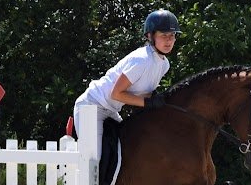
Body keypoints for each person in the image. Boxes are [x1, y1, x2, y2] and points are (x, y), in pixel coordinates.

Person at [73, 9, 181, 139]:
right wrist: (149, 103)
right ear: (150, 36)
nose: (169, 40)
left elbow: (144, 94)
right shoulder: (141, 60)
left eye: (172, 35)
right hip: (90, 107)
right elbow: (116, 93)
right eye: (164, 35)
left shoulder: (164, 65)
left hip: (111, 111)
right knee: (94, 153)